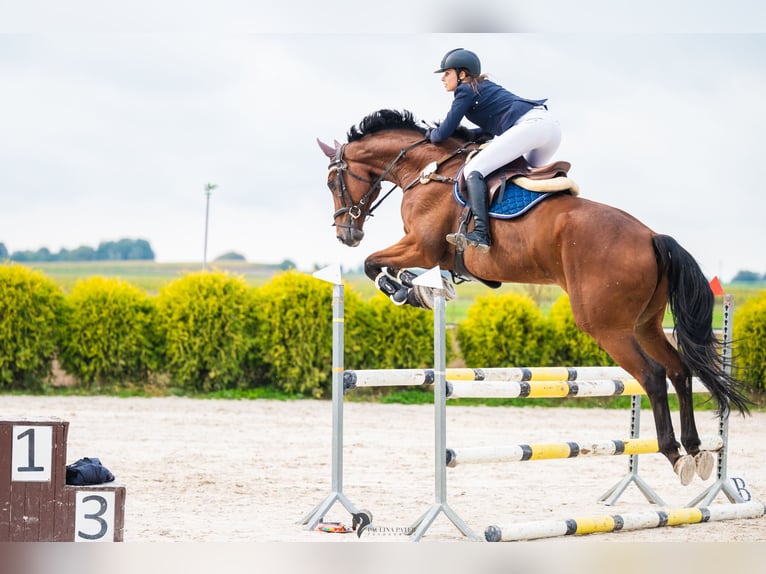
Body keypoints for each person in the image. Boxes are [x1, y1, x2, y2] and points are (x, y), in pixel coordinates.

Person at [428, 48, 561, 252]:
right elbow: (487, 132)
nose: (443, 78)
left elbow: (444, 132)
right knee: (526, 178)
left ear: (462, 74)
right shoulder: (481, 87)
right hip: (549, 129)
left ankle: (481, 233)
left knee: (474, 170)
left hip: (531, 126)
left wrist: (429, 135)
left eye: (447, 73)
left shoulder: (464, 90)